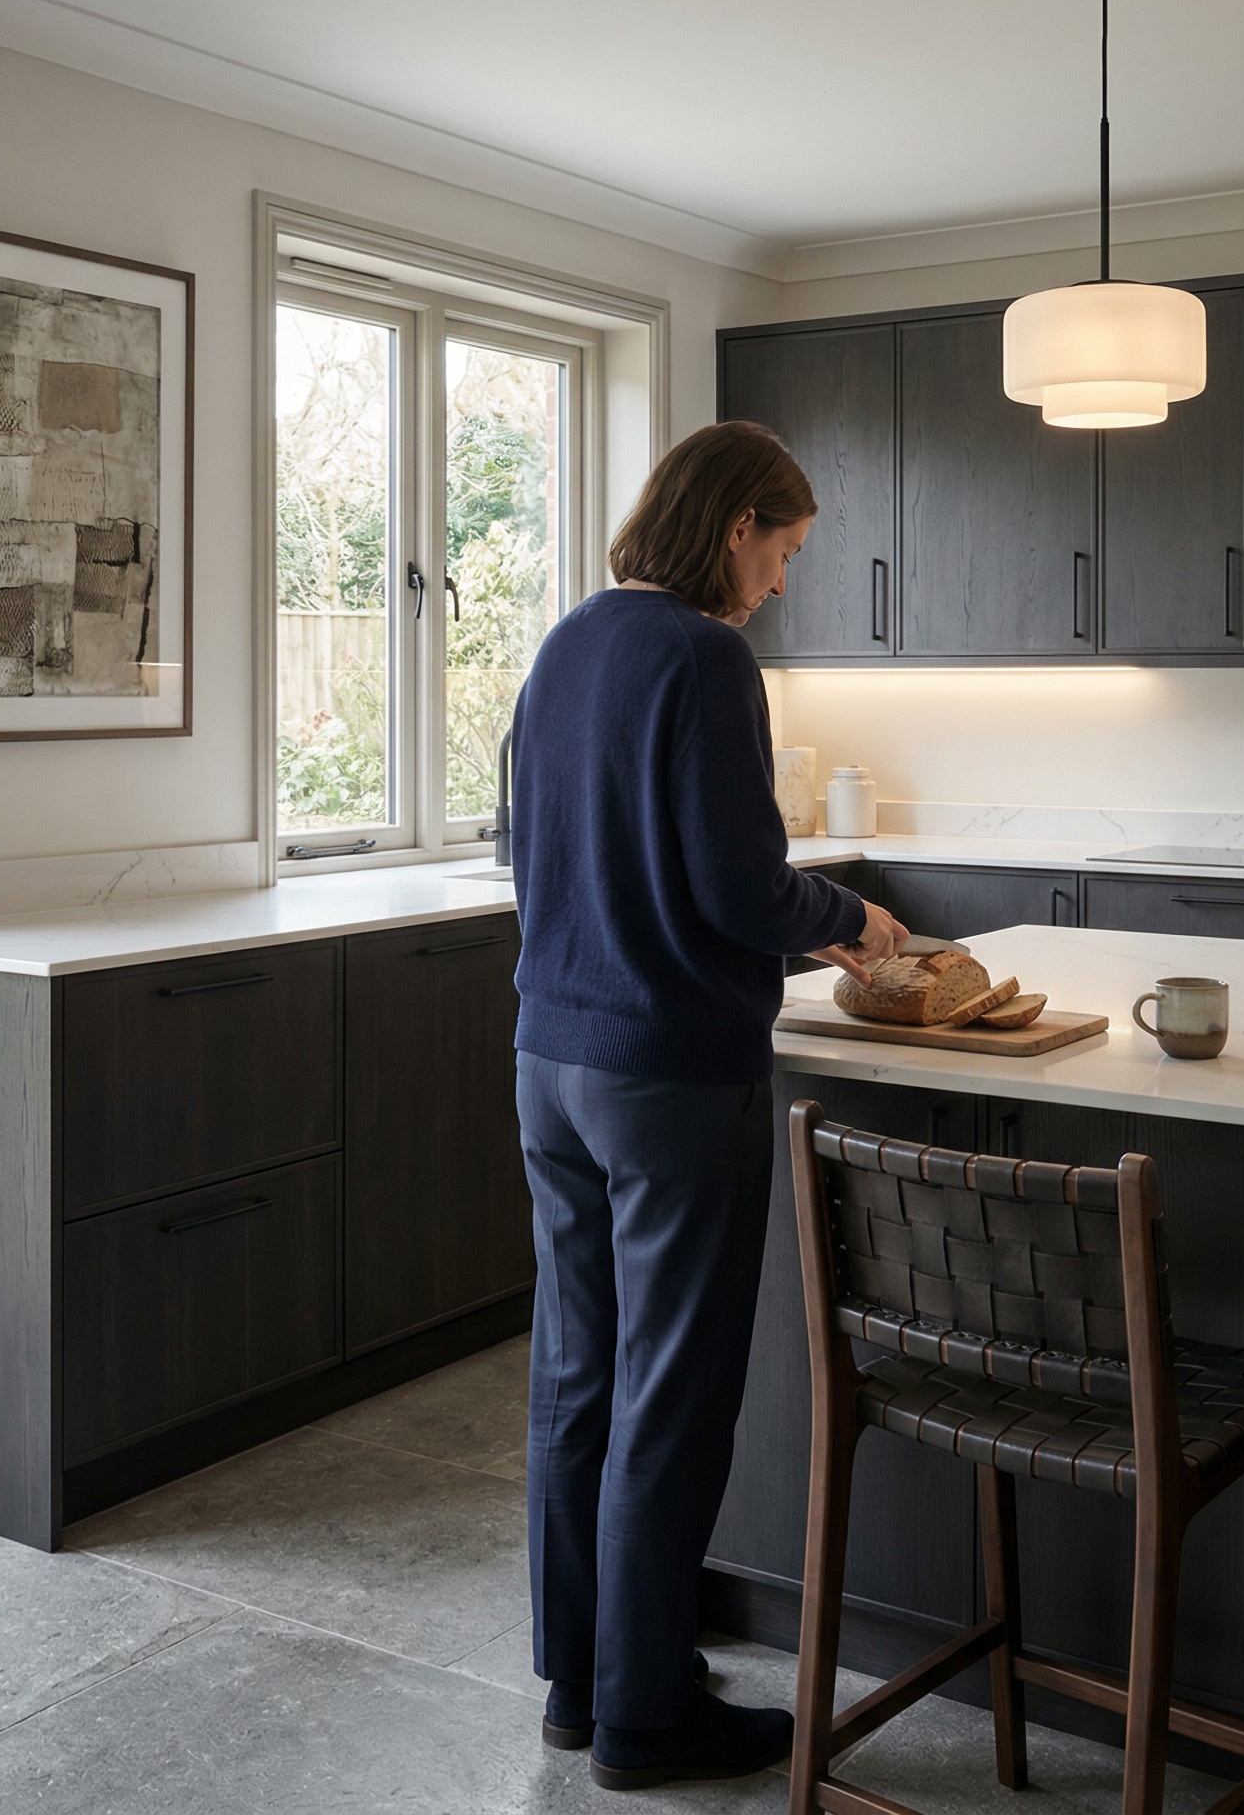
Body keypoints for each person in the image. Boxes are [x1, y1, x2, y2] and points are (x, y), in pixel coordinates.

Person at [507, 420, 908, 1790]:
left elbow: (539, 849)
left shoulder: (569, 643)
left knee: (576, 1375)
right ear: (734, 526)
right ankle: (646, 1721)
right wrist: (850, 915)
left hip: (550, 1058)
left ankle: (582, 1680)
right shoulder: (703, 655)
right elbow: (740, 887)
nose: (784, 580)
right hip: (670, 1073)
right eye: (785, 549)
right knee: (671, 1395)